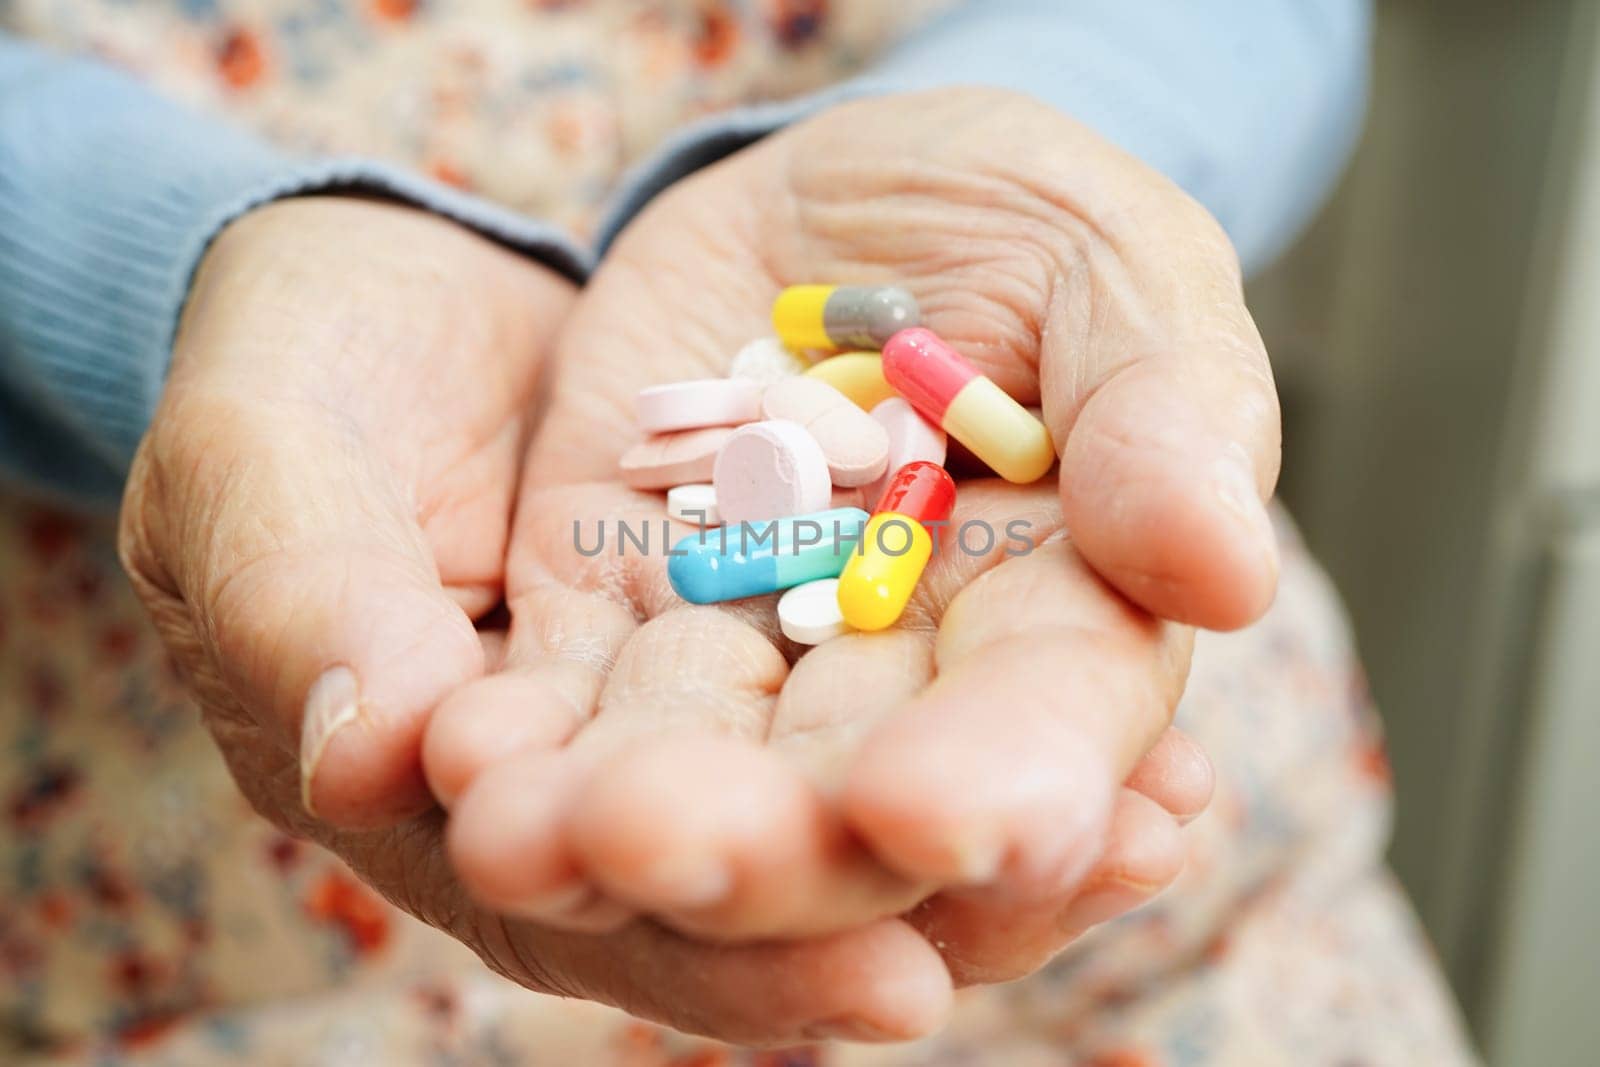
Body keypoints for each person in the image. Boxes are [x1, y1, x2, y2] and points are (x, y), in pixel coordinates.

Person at [0, 1, 1477, 1062]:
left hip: (1158, 955)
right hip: (199, 944)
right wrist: (180, 266)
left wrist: (1069, 136)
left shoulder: (885, 419)